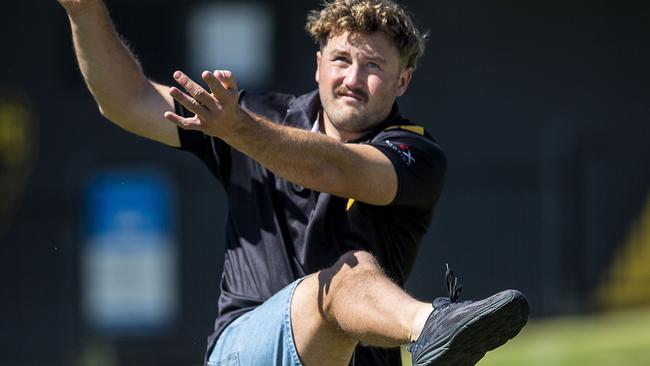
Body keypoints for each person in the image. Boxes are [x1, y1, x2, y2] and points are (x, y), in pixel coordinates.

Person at [58, 0, 529, 364]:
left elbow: (339, 169)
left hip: (348, 358)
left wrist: (238, 128)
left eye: (373, 67)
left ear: (402, 81)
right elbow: (127, 98)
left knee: (348, 280)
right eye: (341, 59)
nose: (353, 78)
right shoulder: (248, 118)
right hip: (243, 351)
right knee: (347, 276)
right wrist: (84, 10)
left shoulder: (417, 153)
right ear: (317, 63)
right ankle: (433, 323)